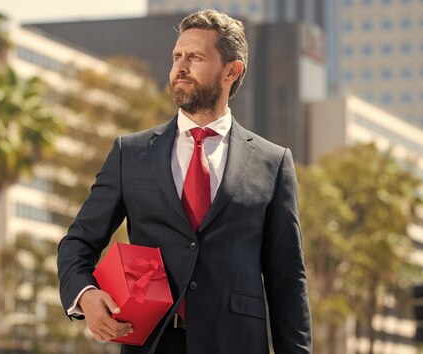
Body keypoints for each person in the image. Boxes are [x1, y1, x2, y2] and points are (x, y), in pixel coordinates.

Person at [56, 9, 312, 354]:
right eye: (177, 56)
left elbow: (287, 280)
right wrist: (85, 295)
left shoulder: (272, 162)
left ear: (231, 71)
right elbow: (77, 243)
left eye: (195, 57)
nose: (180, 66)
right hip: (151, 342)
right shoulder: (129, 153)